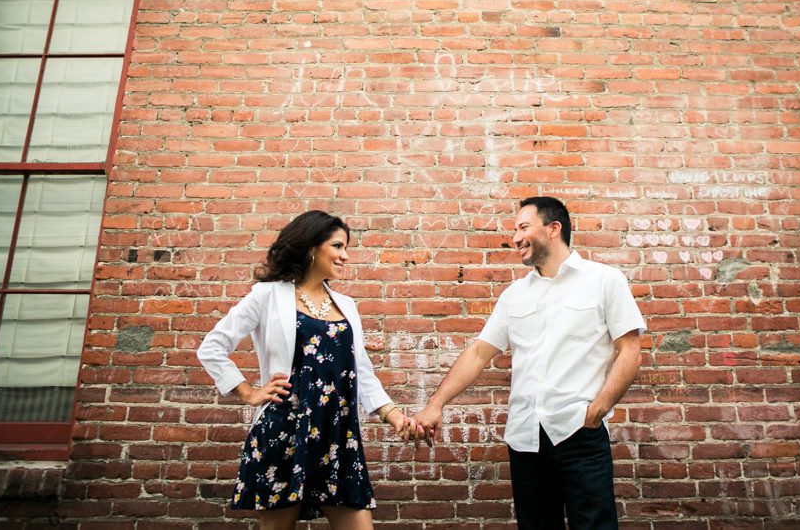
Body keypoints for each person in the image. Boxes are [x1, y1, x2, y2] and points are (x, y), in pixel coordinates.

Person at [414, 196, 646, 530]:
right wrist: (436, 404)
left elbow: (630, 351)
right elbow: (479, 352)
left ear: (554, 229)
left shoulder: (604, 280)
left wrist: (597, 409)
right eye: (514, 229)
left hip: (579, 432)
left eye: (524, 227)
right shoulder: (514, 294)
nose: (516, 237)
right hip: (525, 439)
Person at [197, 210, 416, 530]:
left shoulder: (346, 306)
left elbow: (362, 373)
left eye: (346, 248)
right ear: (312, 247)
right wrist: (248, 392)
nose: (345, 256)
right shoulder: (267, 295)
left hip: (339, 437)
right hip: (284, 431)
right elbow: (212, 347)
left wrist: (395, 417)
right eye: (338, 246)